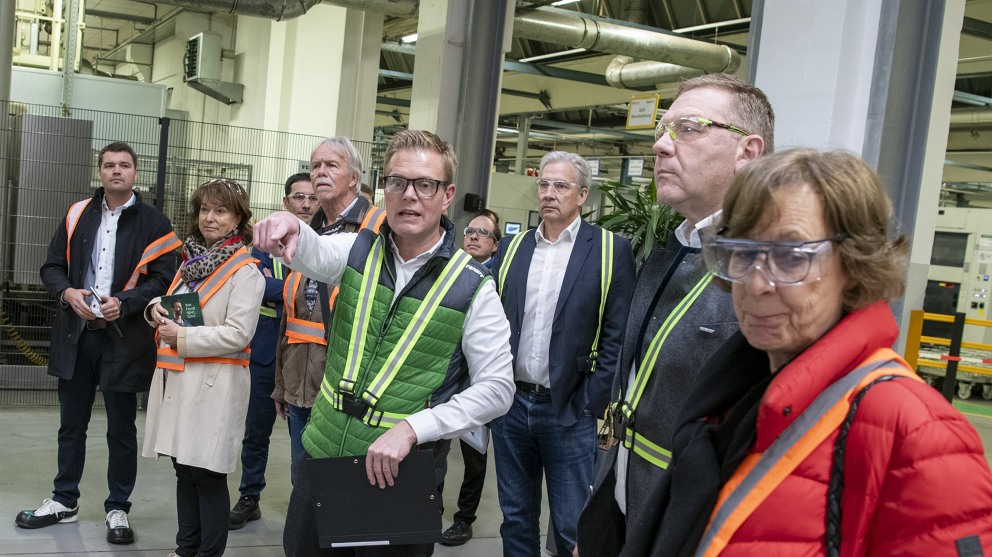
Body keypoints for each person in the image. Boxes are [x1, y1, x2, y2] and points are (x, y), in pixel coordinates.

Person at [649, 148, 992, 555]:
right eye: (743, 253)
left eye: (792, 258)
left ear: (853, 264)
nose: (757, 284)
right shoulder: (734, 392)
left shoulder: (920, 435)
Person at [254, 129, 515, 557]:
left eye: (425, 184)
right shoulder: (358, 249)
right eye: (398, 182)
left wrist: (414, 429)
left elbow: (498, 388)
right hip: (324, 456)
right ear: (384, 189)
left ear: (447, 195)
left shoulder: (473, 287)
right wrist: (291, 227)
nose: (409, 196)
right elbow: (315, 253)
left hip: (398, 472)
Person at [575, 73, 773, 557]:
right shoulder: (672, 249)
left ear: (747, 151)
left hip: (687, 526)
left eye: (688, 128)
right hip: (623, 507)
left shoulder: (767, 273)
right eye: (662, 130)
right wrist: (600, 518)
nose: (662, 146)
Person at [19, 141, 179, 544]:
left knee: (121, 429)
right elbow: (52, 266)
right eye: (109, 165)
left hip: (124, 339)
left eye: (124, 165)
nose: (116, 171)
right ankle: (64, 500)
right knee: (71, 424)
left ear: (135, 173)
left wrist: (123, 303)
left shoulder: (156, 224)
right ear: (100, 172)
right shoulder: (77, 214)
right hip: (78, 336)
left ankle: (118, 508)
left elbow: (164, 280)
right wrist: (68, 293)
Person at [490, 151, 636, 557]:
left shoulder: (610, 250)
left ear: (582, 195)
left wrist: (593, 401)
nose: (549, 193)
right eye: (544, 184)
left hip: (570, 409)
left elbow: (616, 336)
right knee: (515, 517)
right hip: (512, 406)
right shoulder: (513, 247)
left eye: (561, 186)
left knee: (573, 522)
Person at [143, 178, 265, 557]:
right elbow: (172, 306)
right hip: (179, 381)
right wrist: (153, 311)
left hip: (215, 385)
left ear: (238, 219)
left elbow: (238, 334)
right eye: (204, 210)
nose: (209, 218)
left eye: (221, 211)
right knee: (184, 470)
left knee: (208, 475)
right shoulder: (191, 263)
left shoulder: (246, 272)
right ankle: (185, 549)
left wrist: (181, 337)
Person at [271, 138, 385, 484]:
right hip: (301, 383)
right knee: (303, 483)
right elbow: (292, 316)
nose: (320, 173)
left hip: (347, 389)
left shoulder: (377, 228)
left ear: (355, 177)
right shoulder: (308, 231)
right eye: (315, 166)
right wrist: (282, 385)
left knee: (341, 490)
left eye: (331, 165)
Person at [229, 172, 315, 530]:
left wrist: (279, 287)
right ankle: (250, 496)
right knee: (256, 431)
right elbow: (258, 285)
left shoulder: (331, 243)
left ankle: (308, 503)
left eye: (312, 197)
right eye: (299, 197)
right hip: (266, 352)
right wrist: (298, 288)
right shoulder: (264, 243)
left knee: (310, 437)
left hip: (310, 354)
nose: (306, 204)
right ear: (286, 203)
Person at [439, 213, 502, 547]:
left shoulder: (499, 278)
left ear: (494, 243)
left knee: (474, 457)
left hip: (477, 381)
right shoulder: (446, 268)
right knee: (432, 448)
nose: (474, 236)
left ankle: (464, 519)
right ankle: (429, 511)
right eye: (470, 231)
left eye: (483, 232)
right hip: (441, 376)